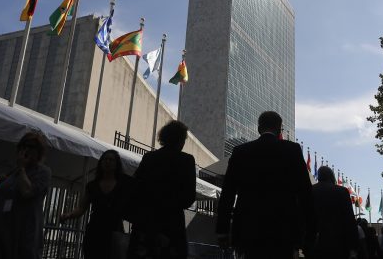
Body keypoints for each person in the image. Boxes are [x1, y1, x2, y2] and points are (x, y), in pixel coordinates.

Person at [216, 111, 314, 259]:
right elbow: (305, 194)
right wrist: (311, 232)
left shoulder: (240, 152)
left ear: (258, 128)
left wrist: (222, 230)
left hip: (248, 230)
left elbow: (228, 193)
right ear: (279, 129)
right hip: (283, 231)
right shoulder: (292, 150)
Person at [0, 131, 52, 259]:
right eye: (23, 146)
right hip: (0, 231)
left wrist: (21, 168)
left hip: (24, 231)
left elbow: (27, 192)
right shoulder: (13, 172)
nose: (26, 149)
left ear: (39, 151)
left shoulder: (43, 172)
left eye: (31, 147)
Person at [128, 121, 196, 259]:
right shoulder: (187, 160)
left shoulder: (149, 158)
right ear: (181, 140)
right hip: (172, 224)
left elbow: (136, 188)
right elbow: (189, 197)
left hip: (146, 223)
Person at [60, 150, 132, 259]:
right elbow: (81, 208)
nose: (108, 162)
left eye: (111, 160)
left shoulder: (123, 185)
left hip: (114, 231)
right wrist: (68, 215)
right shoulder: (92, 186)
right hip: (94, 231)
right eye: (105, 159)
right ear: (101, 163)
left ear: (116, 164)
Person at [305, 166, 358, 259]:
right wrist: (353, 247)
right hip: (338, 244)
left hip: (314, 244)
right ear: (331, 176)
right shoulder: (342, 191)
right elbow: (349, 220)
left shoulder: (309, 191)